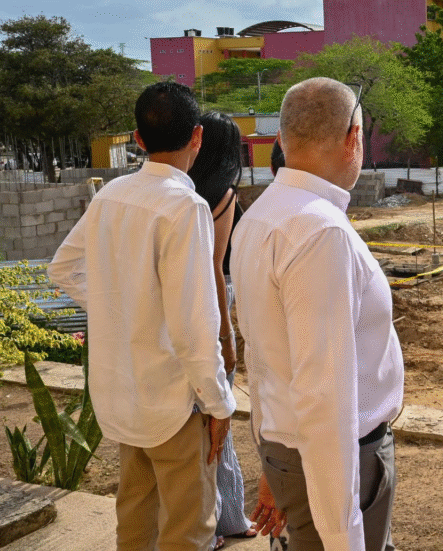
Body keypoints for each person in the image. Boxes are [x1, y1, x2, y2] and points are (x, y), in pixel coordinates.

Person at [48, 81, 236, 551]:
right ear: (197, 136)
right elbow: (194, 328)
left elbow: (62, 268)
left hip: (122, 394)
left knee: (135, 521)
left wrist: (120, 308)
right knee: (189, 531)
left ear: (137, 137)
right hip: (173, 401)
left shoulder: (111, 195)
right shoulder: (185, 206)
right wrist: (219, 403)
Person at [231, 77, 404, 551]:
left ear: (282, 139)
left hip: (294, 451)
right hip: (333, 461)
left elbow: (262, 361)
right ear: (354, 138)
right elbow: (325, 396)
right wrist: (343, 540)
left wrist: (272, 456)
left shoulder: (261, 216)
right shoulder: (320, 231)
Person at [187, 111, 257, 550]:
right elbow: (215, 266)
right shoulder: (222, 195)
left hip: (187, 300)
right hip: (214, 298)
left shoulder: (183, 190)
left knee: (204, 420)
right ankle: (216, 523)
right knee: (218, 418)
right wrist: (227, 338)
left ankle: (222, 519)